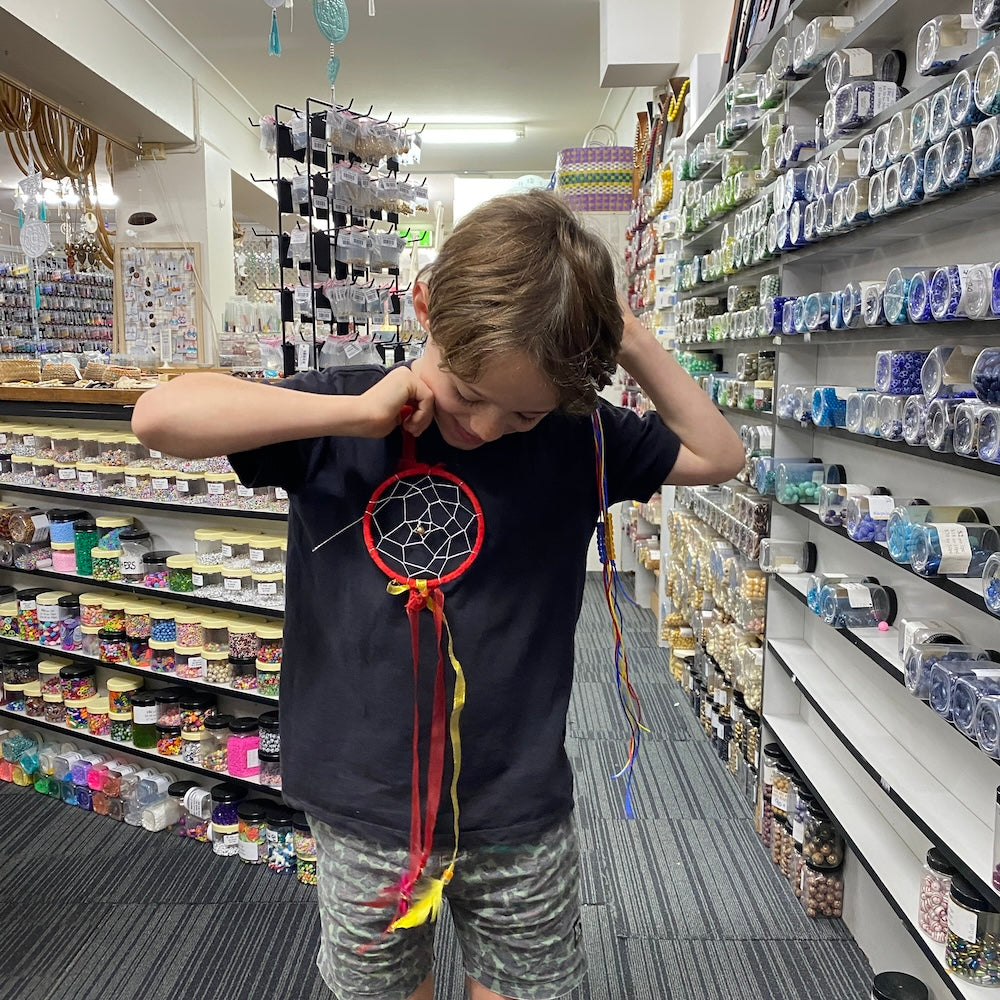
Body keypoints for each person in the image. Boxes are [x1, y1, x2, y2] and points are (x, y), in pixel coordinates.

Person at [131, 189, 744, 1000]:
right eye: (467, 393)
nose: (487, 428)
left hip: (515, 804)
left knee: (531, 983)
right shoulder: (339, 410)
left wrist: (618, 331)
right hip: (363, 805)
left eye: (521, 413)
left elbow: (718, 453)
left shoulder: (576, 433)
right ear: (426, 308)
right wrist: (353, 413)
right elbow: (158, 415)